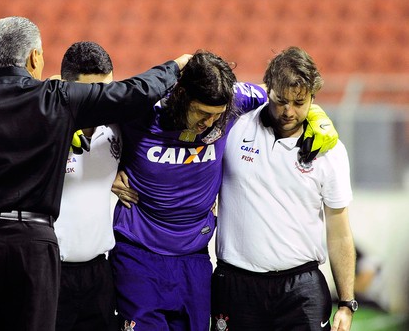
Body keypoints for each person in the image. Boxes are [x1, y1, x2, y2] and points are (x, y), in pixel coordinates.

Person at [0, 16, 191, 331]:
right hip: (33, 245)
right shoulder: (57, 99)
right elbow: (133, 92)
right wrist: (174, 67)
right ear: (36, 57)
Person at [110, 50, 339, 330]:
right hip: (139, 252)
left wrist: (314, 113)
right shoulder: (141, 109)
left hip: (195, 257)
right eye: (203, 113)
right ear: (182, 96)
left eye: (217, 116)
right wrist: (106, 170)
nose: (209, 123)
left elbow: (281, 91)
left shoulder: (235, 100)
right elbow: (80, 95)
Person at [211, 46, 356, 331]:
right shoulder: (235, 127)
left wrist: (347, 302)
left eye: (299, 102)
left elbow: (339, 231)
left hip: (301, 289)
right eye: (280, 100)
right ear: (268, 90)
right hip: (237, 285)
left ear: (313, 98)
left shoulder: (331, 152)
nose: (288, 111)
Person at [53, 41, 119, 331]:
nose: (103, 99)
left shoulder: (118, 126)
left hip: (99, 273)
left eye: (108, 88)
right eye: (92, 91)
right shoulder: (45, 124)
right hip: (50, 272)